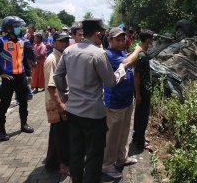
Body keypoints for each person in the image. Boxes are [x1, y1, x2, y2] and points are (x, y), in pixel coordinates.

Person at [53, 19, 142, 183]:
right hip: (93, 114)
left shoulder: (69, 50)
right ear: (97, 33)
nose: (102, 35)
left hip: (73, 111)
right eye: (101, 33)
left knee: (77, 151)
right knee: (94, 154)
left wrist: (66, 98)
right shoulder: (98, 54)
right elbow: (111, 82)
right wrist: (122, 69)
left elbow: (58, 77)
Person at [0, 16, 34, 141]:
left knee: (23, 101)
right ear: (9, 28)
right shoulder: (1, 41)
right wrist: (0, 73)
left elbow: (23, 58)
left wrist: (28, 74)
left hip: (21, 76)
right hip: (9, 78)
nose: (19, 28)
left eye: (19, 26)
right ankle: (1, 131)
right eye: (16, 26)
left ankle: (24, 124)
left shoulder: (21, 41)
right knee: (4, 105)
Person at [102, 28, 138, 179]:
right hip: (115, 103)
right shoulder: (109, 55)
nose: (121, 42)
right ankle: (107, 165)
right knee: (112, 136)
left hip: (126, 100)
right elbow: (127, 62)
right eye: (117, 39)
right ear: (110, 40)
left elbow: (127, 58)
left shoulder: (121, 52)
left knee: (124, 132)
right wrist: (139, 49)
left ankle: (121, 158)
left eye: (123, 39)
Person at [44, 31, 70, 174]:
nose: (65, 43)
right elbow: (51, 85)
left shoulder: (61, 57)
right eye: (61, 41)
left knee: (56, 134)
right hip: (56, 102)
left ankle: (52, 163)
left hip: (59, 101)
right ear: (54, 43)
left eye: (66, 40)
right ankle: (63, 164)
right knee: (61, 135)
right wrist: (60, 105)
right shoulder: (52, 59)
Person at [132, 30, 154, 151]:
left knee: (140, 115)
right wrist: (138, 94)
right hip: (143, 91)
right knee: (142, 116)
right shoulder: (141, 56)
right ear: (147, 39)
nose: (153, 40)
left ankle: (138, 137)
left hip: (145, 90)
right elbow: (136, 76)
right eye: (152, 38)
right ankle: (140, 142)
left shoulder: (143, 53)